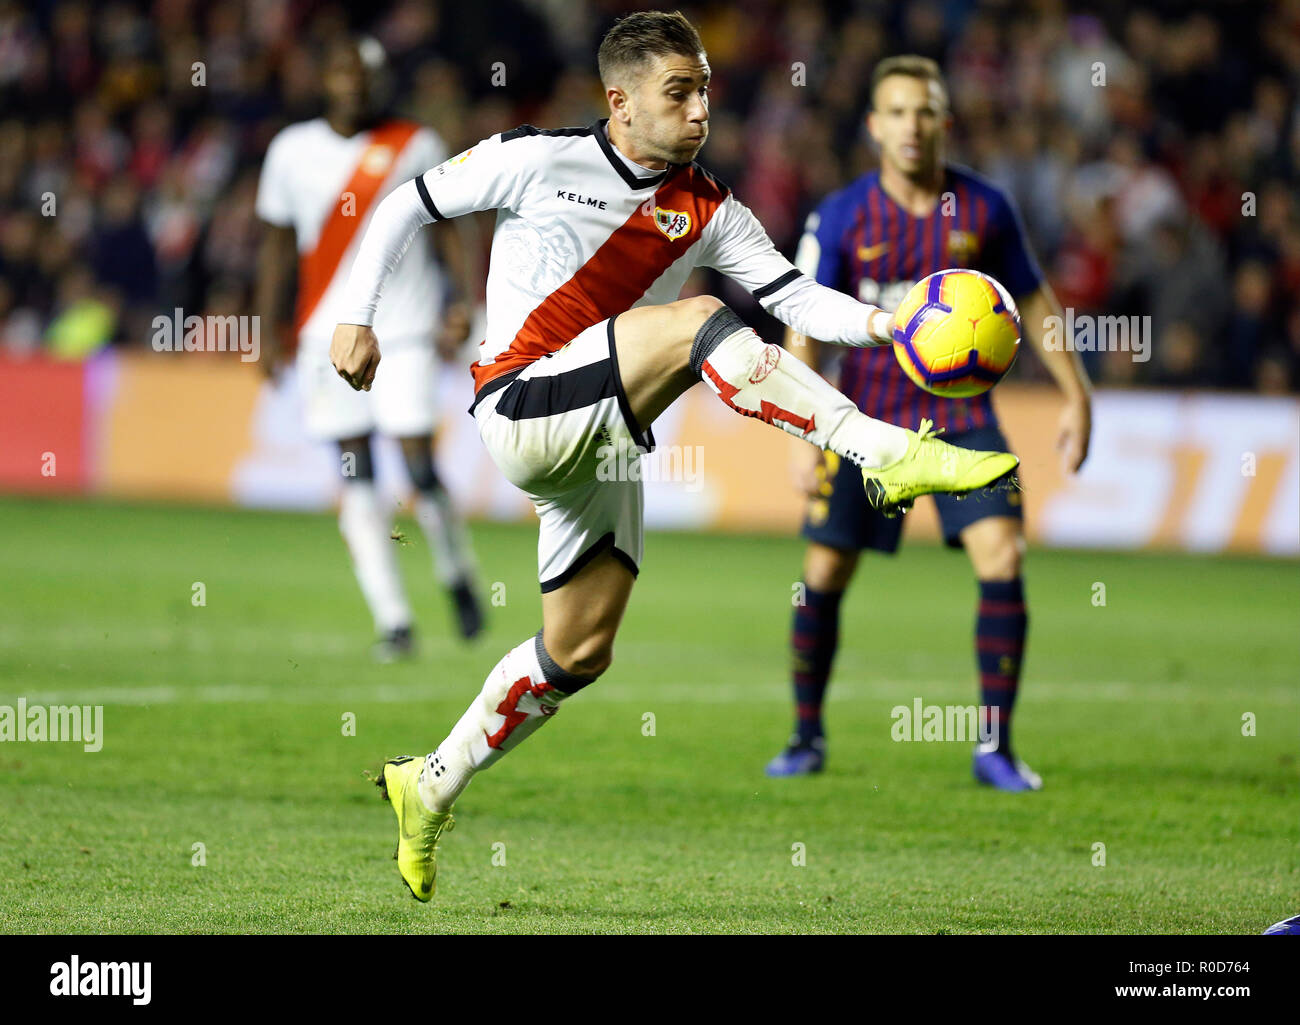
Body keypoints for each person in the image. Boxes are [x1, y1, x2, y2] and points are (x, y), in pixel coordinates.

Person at [330, 13, 1019, 901]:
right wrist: (359, 315)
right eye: (678, 92)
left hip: (604, 443)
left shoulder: (709, 208)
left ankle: (426, 784)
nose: (700, 109)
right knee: (698, 321)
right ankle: (880, 450)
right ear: (620, 102)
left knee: (579, 650)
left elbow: (795, 297)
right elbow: (403, 204)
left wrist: (893, 324)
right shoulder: (535, 158)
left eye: (704, 90)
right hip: (520, 401)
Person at [765, 56, 1092, 790]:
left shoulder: (986, 209)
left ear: (944, 121)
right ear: (875, 126)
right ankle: (806, 735)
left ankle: (994, 748)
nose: (913, 125)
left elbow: (1033, 303)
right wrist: (800, 428)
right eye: (899, 112)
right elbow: (805, 326)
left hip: (964, 417)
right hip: (862, 422)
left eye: (926, 111)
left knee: (1003, 558)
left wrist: (1077, 390)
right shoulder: (841, 215)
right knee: (823, 572)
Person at [255, 36, 484, 659]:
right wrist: (266, 328)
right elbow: (276, 245)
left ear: (380, 81)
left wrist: (465, 301)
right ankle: (394, 620)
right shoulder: (290, 151)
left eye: (364, 74)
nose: (352, 84)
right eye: (340, 72)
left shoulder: (416, 144)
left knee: (416, 464)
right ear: (323, 78)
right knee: (354, 474)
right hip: (321, 341)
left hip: (403, 332)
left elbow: (454, 227)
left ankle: (455, 571)